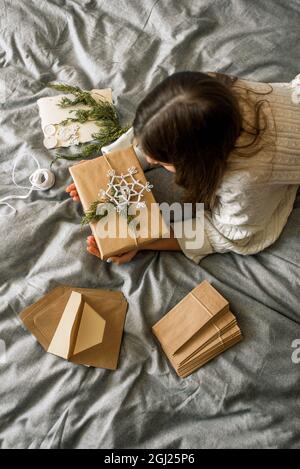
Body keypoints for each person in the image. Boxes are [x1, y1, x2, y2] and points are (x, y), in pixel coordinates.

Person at [66, 71, 300, 264]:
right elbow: (164, 131)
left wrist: (144, 241)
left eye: (162, 161)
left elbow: (232, 235)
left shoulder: (243, 180)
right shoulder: (209, 89)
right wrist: (108, 168)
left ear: (199, 164)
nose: (151, 161)